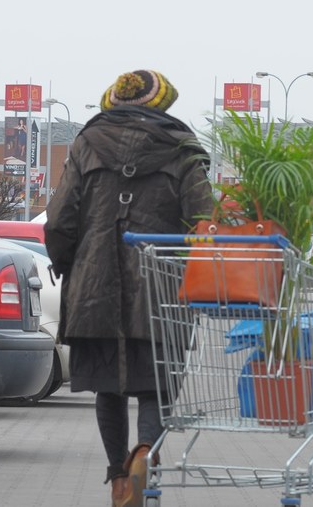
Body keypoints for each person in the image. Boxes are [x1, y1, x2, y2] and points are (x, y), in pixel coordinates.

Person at [44, 70, 213, 507]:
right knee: (155, 385)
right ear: (163, 103)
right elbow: (202, 221)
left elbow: (61, 216)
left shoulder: (86, 143)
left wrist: (67, 264)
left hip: (93, 285)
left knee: (108, 388)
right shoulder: (183, 148)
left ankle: (120, 477)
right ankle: (145, 459)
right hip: (162, 289)